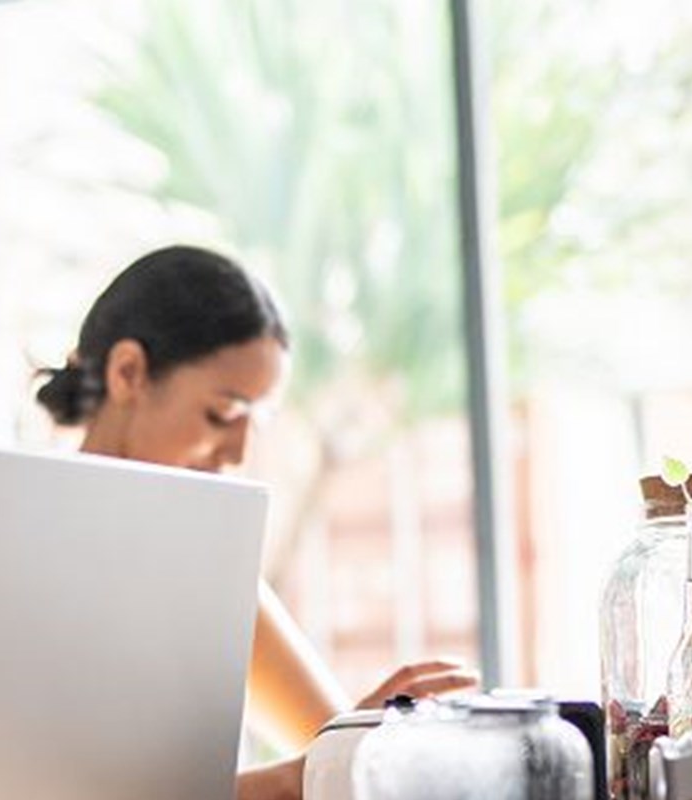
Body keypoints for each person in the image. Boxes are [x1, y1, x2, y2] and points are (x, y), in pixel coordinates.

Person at [32, 245, 481, 799]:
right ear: (129, 372)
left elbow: (336, 764)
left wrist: (365, 739)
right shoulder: (19, 545)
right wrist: (297, 776)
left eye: (255, 421)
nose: (238, 450)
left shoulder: (204, 562)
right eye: (222, 414)